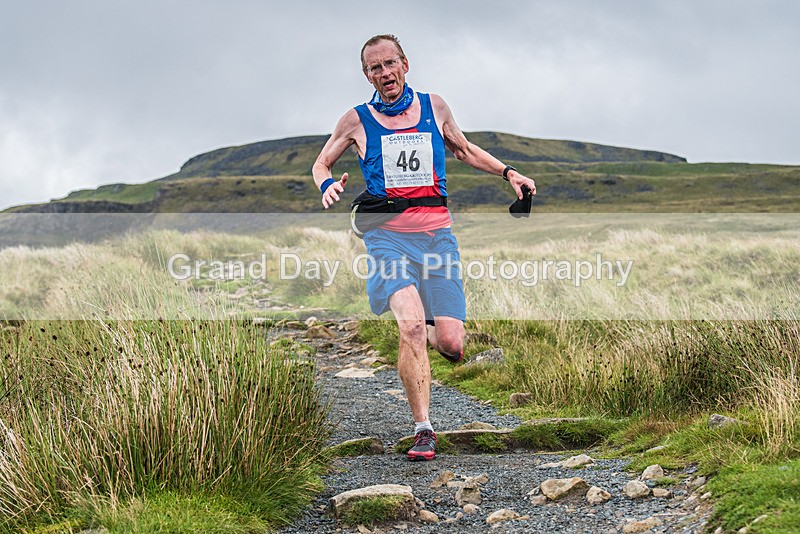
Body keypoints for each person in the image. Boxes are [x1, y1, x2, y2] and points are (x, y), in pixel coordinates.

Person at [312, 34, 536, 461]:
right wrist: (327, 185)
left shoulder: (435, 107)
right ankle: (424, 429)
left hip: (437, 236)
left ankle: (434, 329)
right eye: (374, 68)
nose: (384, 73)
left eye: (389, 63)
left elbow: (465, 150)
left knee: (450, 342)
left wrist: (510, 173)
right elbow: (321, 162)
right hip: (387, 237)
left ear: (405, 64)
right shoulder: (356, 120)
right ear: (367, 75)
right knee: (411, 326)